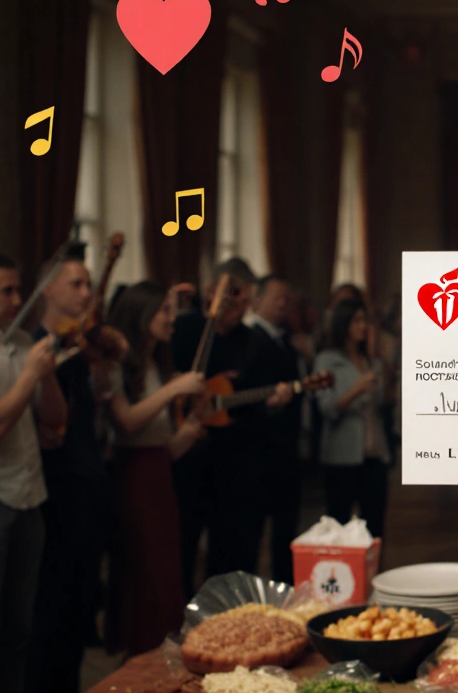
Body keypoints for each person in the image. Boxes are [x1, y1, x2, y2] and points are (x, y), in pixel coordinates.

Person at [0, 249, 66, 693]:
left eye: (17, 289)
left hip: (30, 495)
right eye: (6, 291)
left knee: (18, 632)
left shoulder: (22, 342)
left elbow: (54, 420)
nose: (17, 299)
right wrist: (31, 373)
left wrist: (47, 376)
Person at [171, 259, 291, 595]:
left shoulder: (257, 343)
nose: (239, 310)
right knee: (182, 547)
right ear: (213, 293)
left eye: (244, 303)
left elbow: (265, 407)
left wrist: (276, 402)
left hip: (239, 466)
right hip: (190, 460)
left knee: (236, 554)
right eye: (232, 300)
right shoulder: (185, 330)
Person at [24, 245, 114, 693]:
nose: (86, 293)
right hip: (56, 494)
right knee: (51, 612)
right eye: (76, 284)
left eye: (87, 284)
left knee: (78, 611)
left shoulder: (81, 349)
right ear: (48, 290)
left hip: (89, 489)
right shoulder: (35, 349)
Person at [102, 281, 208, 656]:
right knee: (144, 577)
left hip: (160, 476)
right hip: (134, 480)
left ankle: (162, 663)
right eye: (164, 310)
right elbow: (127, 424)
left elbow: (163, 447)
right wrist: (173, 389)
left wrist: (191, 431)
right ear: (142, 314)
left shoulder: (154, 364)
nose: (172, 318)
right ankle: (142, 665)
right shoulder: (118, 364)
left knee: (167, 574)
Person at [245, 273, 307, 584]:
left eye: (287, 298)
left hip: (285, 449)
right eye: (276, 297)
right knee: (253, 530)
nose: (283, 304)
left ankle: (284, 589)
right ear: (257, 299)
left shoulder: (284, 340)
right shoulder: (249, 338)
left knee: (286, 529)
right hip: (258, 451)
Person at [314, 298, 389, 539]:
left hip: (374, 452)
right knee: (339, 522)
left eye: (364, 320)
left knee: (374, 525)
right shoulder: (327, 360)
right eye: (357, 320)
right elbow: (327, 409)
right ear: (343, 324)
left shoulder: (371, 361)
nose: (363, 326)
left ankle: (372, 574)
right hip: (342, 455)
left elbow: (383, 404)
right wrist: (357, 389)